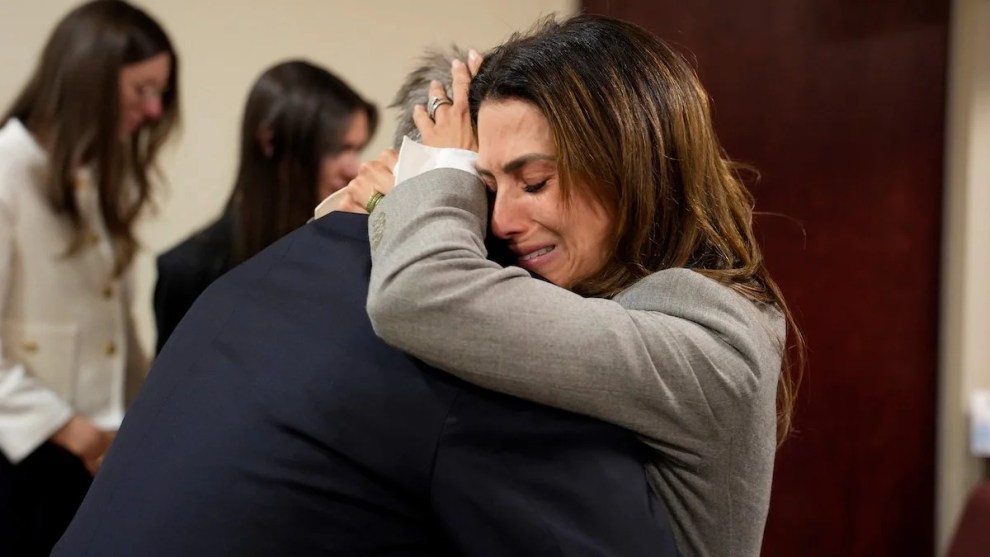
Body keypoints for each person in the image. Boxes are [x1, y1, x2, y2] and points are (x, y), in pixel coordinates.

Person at [51, 48, 680, 557]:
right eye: (488, 187)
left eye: (535, 182)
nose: (510, 217)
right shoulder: (471, 338)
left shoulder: (263, 276)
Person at [354, 15, 805, 557]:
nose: (499, 221)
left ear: (627, 161)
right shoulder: (593, 281)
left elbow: (418, 294)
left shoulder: (713, 339)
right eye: (488, 187)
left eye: (535, 182)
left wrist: (414, 187)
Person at [0, 1, 179, 554]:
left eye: (160, 94)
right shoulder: (6, 171)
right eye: (140, 90)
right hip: (26, 459)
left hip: (90, 449)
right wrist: (76, 432)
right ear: (88, 79)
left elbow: (113, 327)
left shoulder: (94, 175)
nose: (153, 111)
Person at [153, 60, 376, 353]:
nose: (353, 168)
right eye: (339, 149)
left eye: (357, 149)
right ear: (270, 142)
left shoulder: (357, 256)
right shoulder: (190, 272)